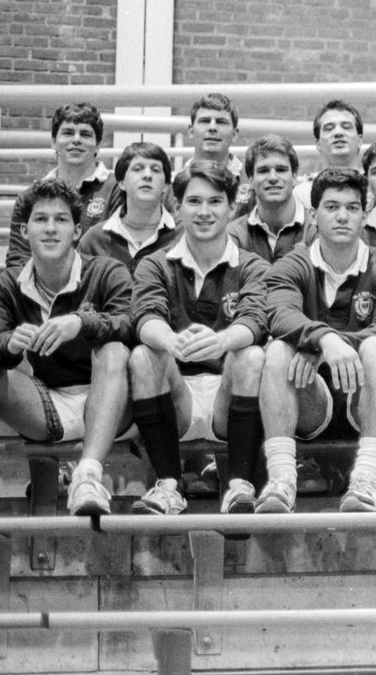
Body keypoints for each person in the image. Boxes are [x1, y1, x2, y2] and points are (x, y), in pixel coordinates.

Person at [0, 179, 131, 525]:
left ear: (77, 231)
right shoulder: (11, 282)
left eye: (61, 220)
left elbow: (130, 323)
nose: (50, 228)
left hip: (112, 405)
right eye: (41, 219)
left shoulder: (107, 270)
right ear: (25, 230)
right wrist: (7, 344)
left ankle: (87, 478)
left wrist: (81, 323)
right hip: (47, 404)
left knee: (114, 350)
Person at [129, 161, 270, 515]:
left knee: (251, 355)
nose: (204, 212)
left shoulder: (253, 266)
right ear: (176, 207)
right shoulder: (155, 264)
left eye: (215, 201)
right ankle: (169, 488)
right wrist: (171, 342)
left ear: (232, 206)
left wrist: (222, 341)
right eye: (193, 201)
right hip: (176, 396)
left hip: (229, 391)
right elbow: (145, 316)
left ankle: (239, 486)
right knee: (143, 355)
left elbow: (255, 319)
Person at [256, 168, 376, 513]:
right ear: (313, 215)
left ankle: (366, 479)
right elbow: (279, 313)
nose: (342, 216)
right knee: (277, 350)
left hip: (364, 398)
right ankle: (281, 480)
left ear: (365, 216)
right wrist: (324, 340)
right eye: (332, 207)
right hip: (309, 399)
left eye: (352, 208)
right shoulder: (292, 264)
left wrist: (323, 345)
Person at [4, 102, 121, 269]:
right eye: (68, 133)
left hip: (96, 289)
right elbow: (18, 260)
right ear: (53, 142)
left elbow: (115, 253)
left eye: (86, 134)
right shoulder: (29, 198)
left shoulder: (117, 189)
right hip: (41, 290)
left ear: (98, 145)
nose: (76, 140)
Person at [78, 142, 179, 272]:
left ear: (165, 185)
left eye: (155, 170)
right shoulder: (94, 240)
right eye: (137, 169)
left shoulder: (185, 233)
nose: (147, 175)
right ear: (121, 182)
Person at [228, 134, 315, 263]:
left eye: (281, 170)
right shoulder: (234, 235)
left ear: (295, 176)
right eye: (263, 171)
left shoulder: (316, 230)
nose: (273, 178)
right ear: (251, 180)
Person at [182, 93, 254, 217]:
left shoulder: (253, 185)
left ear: (235, 134)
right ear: (191, 131)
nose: (212, 127)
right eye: (205, 121)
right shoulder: (173, 187)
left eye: (221, 122)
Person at [293, 100, 364, 206]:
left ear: (359, 141)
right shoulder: (302, 195)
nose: (338, 133)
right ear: (318, 144)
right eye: (329, 128)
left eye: (346, 127)